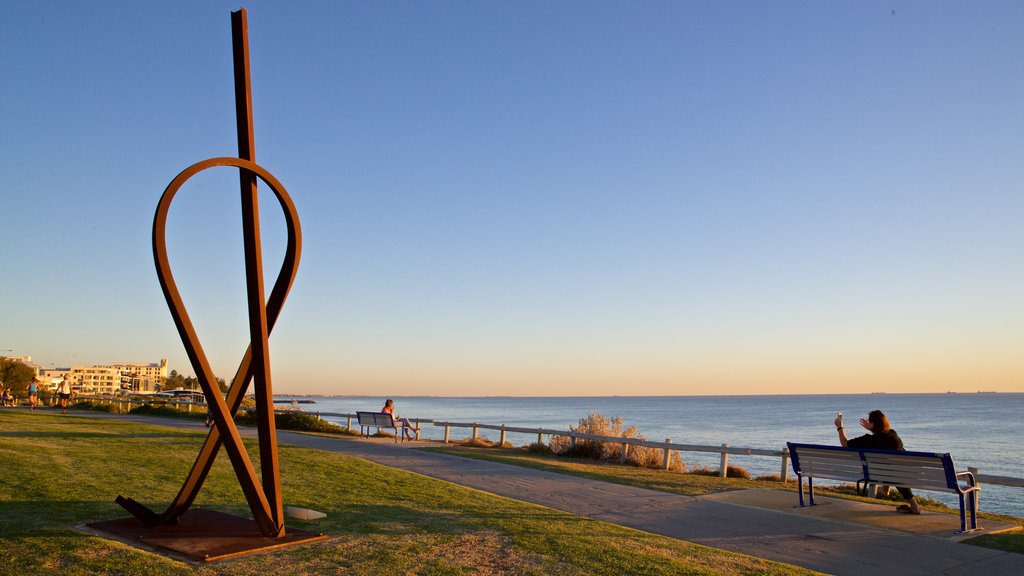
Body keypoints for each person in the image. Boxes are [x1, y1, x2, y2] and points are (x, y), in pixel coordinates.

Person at [835, 409, 921, 514]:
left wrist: (840, 427)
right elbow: (882, 438)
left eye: (869, 421)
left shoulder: (868, 440)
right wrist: (872, 428)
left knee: (891, 470)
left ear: (873, 424)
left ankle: (888, 490)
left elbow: (845, 443)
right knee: (895, 469)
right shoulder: (893, 436)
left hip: (881, 474)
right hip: (909, 473)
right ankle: (912, 504)